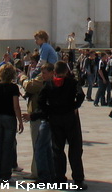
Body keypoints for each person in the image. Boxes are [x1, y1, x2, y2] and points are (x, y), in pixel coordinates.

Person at [39, 60, 86, 189]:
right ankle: (78, 179)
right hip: (70, 118)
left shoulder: (48, 84)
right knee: (75, 149)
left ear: (54, 72)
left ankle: (59, 179)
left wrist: (49, 112)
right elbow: (81, 95)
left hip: (55, 119)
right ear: (66, 71)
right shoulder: (72, 83)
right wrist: (74, 106)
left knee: (57, 149)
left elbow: (41, 101)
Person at [21, 62, 55, 183]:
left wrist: (23, 77)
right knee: (45, 147)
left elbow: (30, 87)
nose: (42, 74)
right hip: (44, 117)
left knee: (40, 146)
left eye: (44, 72)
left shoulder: (46, 83)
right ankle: (50, 174)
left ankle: (42, 175)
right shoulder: (47, 82)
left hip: (42, 118)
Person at [0, 63, 23, 184]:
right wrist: (20, 121)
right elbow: (16, 106)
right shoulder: (14, 88)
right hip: (9, 117)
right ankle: (6, 175)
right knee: (8, 146)